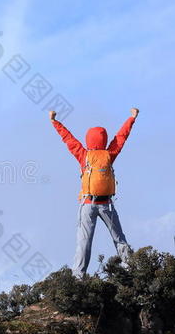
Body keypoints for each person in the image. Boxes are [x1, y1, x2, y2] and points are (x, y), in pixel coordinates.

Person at [49, 108, 139, 277]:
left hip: (87, 204)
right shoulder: (109, 154)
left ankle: (78, 277)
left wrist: (55, 122)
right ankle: (130, 270)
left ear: (88, 140)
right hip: (107, 205)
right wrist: (131, 118)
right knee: (119, 238)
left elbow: (68, 139)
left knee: (84, 242)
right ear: (104, 140)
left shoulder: (84, 155)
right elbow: (121, 137)